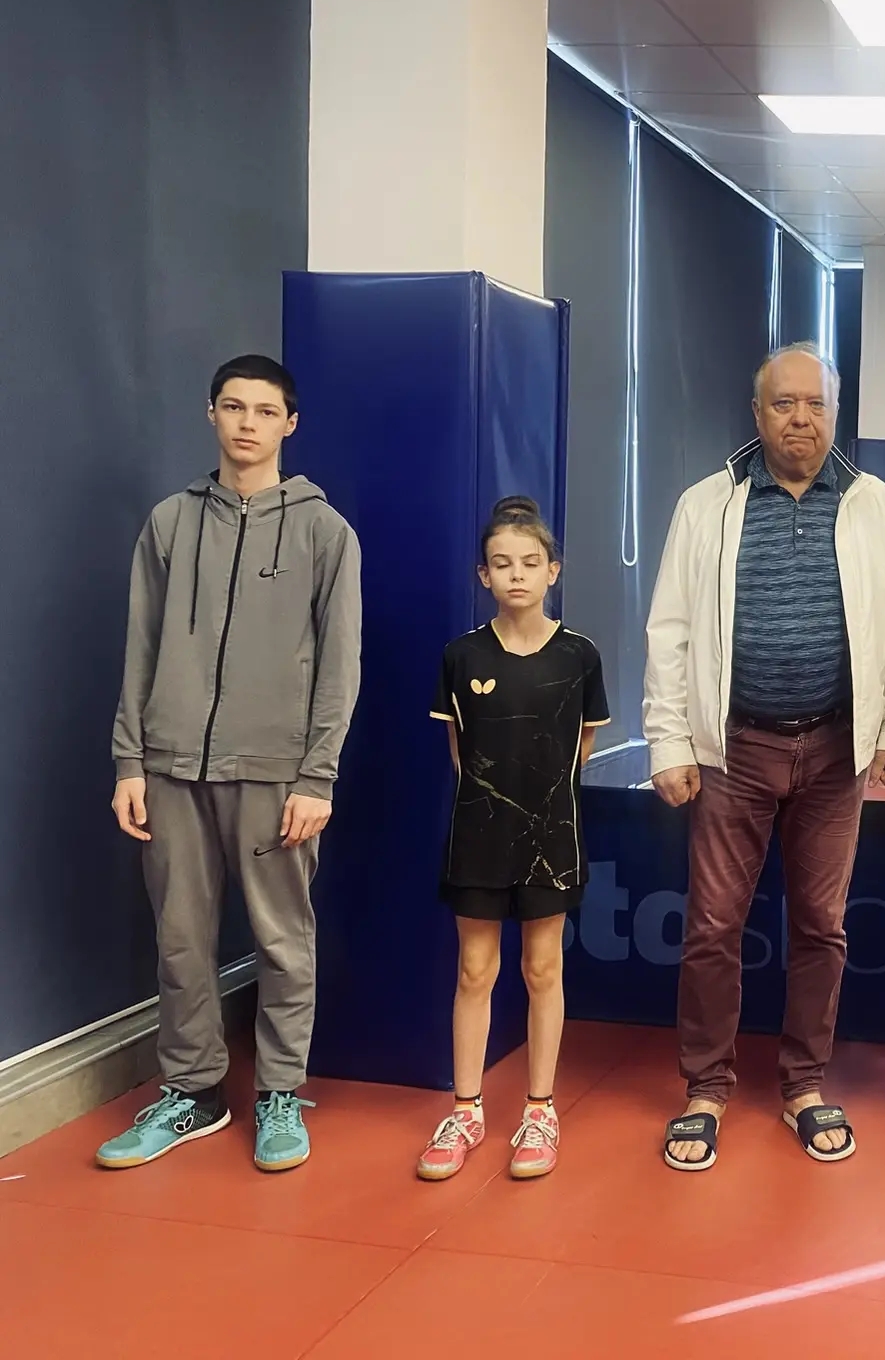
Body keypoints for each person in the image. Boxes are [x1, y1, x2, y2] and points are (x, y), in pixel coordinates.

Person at [644, 342, 885, 1172]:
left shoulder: (876, 506)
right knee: (712, 927)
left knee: (822, 927)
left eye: (816, 403)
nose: (802, 418)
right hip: (733, 750)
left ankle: (803, 1083)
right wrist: (669, 739)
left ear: (835, 412)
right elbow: (669, 629)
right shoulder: (707, 504)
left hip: (836, 750)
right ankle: (706, 1087)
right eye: (784, 403)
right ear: (756, 413)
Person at [100, 355, 362, 1172]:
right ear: (211, 414)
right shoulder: (169, 524)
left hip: (276, 772)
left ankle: (280, 1091)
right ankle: (194, 1092)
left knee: (283, 939)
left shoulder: (324, 532)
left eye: (265, 410)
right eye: (234, 407)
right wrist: (130, 761)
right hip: (170, 767)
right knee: (180, 940)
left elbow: (340, 665)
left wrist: (317, 775)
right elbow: (140, 646)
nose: (248, 423)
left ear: (290, 424)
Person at [415, 498, 609, 1182]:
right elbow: (459, 752)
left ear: (553, 570)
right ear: (484, 575)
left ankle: (540, 1110)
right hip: (478, 836)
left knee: (542, 969)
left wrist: (540, 805)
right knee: (474, 971)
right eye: (502, 564)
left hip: (553, 837)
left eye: (530, 563)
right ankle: (466, 1110)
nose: (517, 575)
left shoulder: (580, 656)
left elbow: (581, 749)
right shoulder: (461, 655)